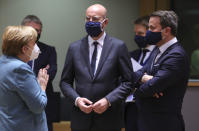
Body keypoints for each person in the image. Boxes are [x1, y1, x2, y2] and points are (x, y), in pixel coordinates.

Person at [60, 4, 134, 131]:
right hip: (81, 118)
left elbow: (129, 82)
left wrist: (108, 100)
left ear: (105, 22)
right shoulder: (74, 48)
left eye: (95, 19)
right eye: (87, 19)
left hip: (109, 118)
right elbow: (65, 82)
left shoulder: (118, 47)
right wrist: (77, 100)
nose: (90, 22)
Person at [133, 10, 190, 131]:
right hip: (147, 122)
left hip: (164, 124)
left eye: (152, 28)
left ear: (167, 31)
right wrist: (143, 78)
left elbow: (150, 88)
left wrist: (136, 88)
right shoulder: (157, 49)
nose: (148, 32)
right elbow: (136, 73)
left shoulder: (176, 55)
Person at [0, 26, 49, 131]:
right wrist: (42, 86)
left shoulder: (2, 62)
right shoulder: (20, 69)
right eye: (34, 43)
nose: (36, 47)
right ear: (24, 49)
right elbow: (38, 106)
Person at [21, 15, 58, 131]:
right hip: (20, 104)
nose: (36, 33)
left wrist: (29, 79)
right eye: (32, 30)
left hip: (43, 105)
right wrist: (39, 76)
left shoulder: (49, 50)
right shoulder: (14, 50)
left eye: (38, 30)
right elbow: (13, 75)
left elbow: (51, 73)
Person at [125, 15, 155, 131]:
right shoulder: (130, 55)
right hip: (131, 111)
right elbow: (122, 79)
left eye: (140, 33)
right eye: (135, 33)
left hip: (151, 111)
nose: (137, 37)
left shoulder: (161, 56)